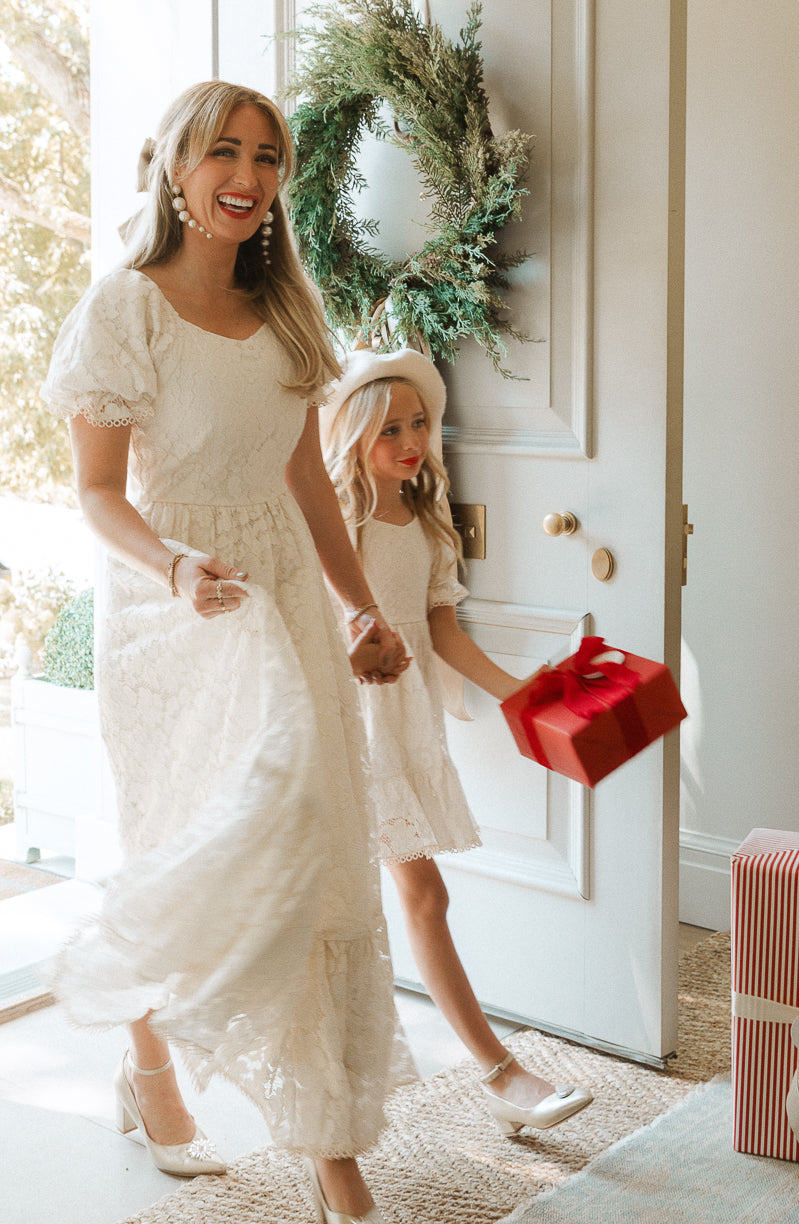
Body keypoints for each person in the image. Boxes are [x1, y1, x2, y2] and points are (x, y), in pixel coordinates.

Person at [41, 81, 410, 1224]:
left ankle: (329, 1153)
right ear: (176, 167)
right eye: (222, 153)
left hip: (285, 600)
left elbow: (306, 485)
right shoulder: (126, 310)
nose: (245, 176)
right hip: (176, 611)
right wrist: (177, 570)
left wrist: (358, 610)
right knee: (194, 853)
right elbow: (99, 495)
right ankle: (150, 1079)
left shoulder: (292, 312)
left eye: (265, 156)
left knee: (311, 844)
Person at [321, 349, 594, 1138]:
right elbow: (318, 624)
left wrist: (528, 697)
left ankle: (498, 1078)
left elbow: (443, 633)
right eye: (390, 429)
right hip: (349, 718)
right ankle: (500, 1076)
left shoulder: (425, 517)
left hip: (404, 722)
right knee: (399, 898)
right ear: (353, 434)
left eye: (419, 424)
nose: (410, 441)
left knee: (417, 895)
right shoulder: (342, 520)